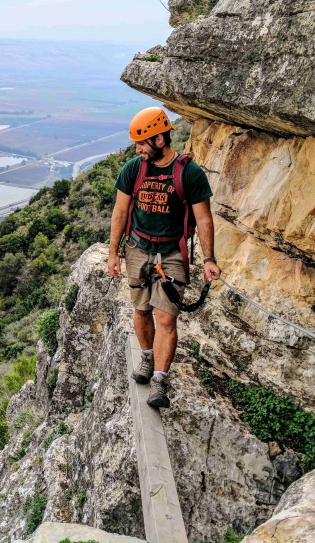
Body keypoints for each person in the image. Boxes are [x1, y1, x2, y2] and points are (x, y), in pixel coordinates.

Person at [107, 107, 221, 408]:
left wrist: (209, 258)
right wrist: (112, 254)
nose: (137, 149)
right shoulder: (134, 169)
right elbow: (120, 212)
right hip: (136, 249)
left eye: (142, 142)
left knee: (166, 317)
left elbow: (204, 219)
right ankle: (146, 357)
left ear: (159, 139)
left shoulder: (189, 173)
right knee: (142, 310)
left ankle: (159, 379)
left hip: (171, 253)